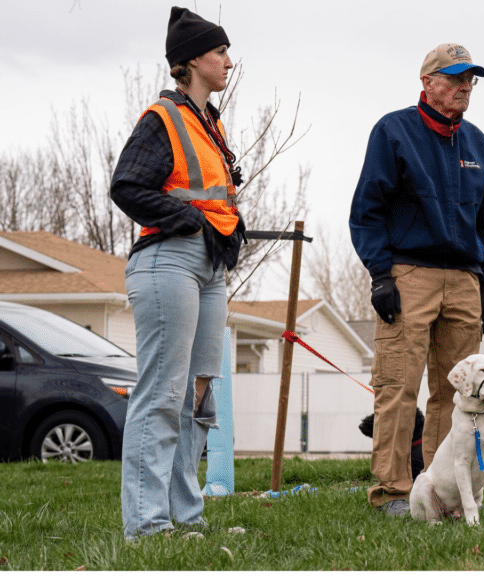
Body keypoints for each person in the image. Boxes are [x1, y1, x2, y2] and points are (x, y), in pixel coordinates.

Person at [110, 7, 245, 539]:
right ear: (191, 61)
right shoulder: (161, 119)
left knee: (197, 397)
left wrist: (224, 231)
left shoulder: (209, 124)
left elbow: (216, 196)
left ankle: (186, 517)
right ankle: (146, 526)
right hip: (168, 261)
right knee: (162, 394)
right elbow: (127, 186)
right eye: (220, 53)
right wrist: (187, 219)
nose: (229, 62)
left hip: (209, 267)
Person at [349, 43, 484, 516]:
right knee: (398, 387)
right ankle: (393, 493)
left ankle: (445, 495)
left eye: (470, 80)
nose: (463, 87)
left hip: (465, 279)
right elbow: (366, 212)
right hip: (408, 273)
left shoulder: (478, 143)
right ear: (427, 82)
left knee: (457, 394)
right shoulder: (393, 132)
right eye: (455, 78)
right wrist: (380, 274)